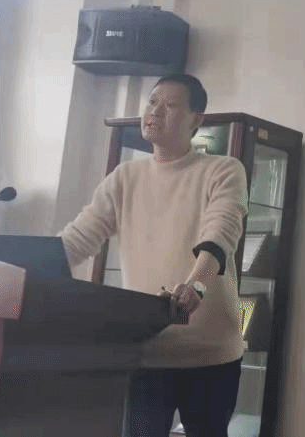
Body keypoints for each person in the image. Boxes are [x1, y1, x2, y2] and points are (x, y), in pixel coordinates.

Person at [59, 73, 248, 437]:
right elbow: (78, 239)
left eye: (170, 105)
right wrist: (27, 267)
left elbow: (220, 233)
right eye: (152, 102)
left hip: (209, 354)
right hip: (146, 351)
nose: (155, 111)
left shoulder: (223, 170)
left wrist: (197, 286)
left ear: (196, 119)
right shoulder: (124, 177)